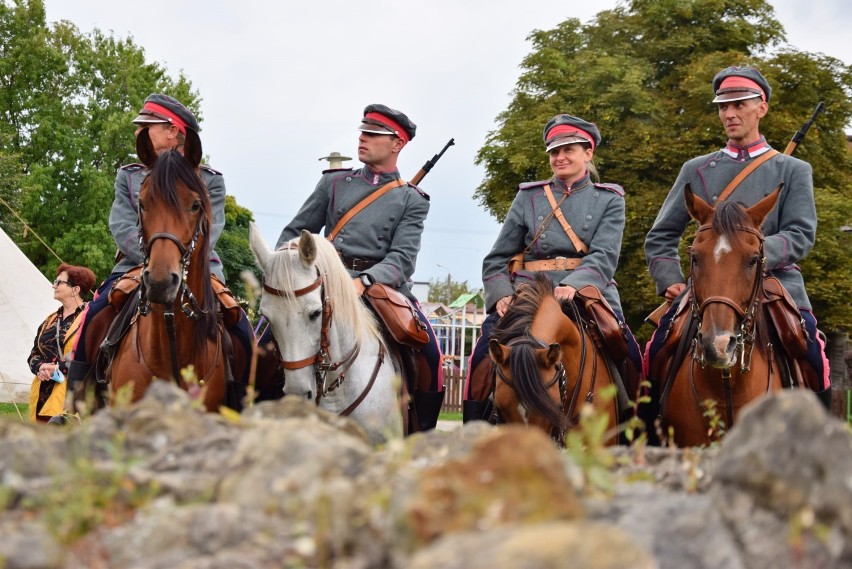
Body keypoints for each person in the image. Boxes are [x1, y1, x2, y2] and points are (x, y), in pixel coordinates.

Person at [644, 65, 830, 403]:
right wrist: (669, 278)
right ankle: (647, 432)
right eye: (723, 106)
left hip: (774, 283)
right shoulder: (696, 170)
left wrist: (748, 255)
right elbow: (660, 236)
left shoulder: (793, 170)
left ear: (762, 107)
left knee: (813, 354)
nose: (729, 113)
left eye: (739, 104)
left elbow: (802, 233)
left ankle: (818, 440)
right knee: (656, 349)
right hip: (708, 285)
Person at [67, 94, 254, 404]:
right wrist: (155, 258)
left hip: (199, 267)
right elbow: (121, 225)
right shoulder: (129, 175)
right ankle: (76, 404)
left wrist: (175, 258)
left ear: (172, 130)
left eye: (146, 126)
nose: (138, 131)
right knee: (94, 315)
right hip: (136, 265)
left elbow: (212, 229)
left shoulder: (209, 181)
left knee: (242, 328)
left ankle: (244, 408)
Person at [274, 103, 445, 429]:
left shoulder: (412, 199)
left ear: (397, 144)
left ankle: (421, 439)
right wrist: (291, 268)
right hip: (321, 281)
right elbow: (295, 233)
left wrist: (365, 280)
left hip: (379, 288)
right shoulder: (334, 183)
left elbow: (402, 259)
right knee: (266, 339)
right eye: (363, 132)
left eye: (373, 134)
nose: (362, 139)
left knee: (431, 355)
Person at [463, 114, 643, 422]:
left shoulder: (609, 199)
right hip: (528, 294)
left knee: (626, 348)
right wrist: (501, 294)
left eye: (568, 150)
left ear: (588, 153)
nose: (559, 157)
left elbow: (604, 255)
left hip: (585, 291)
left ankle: (632, 424)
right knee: (483, 351)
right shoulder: (528, 196)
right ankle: (475, 429)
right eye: (554, 152)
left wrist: (575, 284)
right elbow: (496, 258)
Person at [28, 264, 96, 423]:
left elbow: (91, 357)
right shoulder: (50, 320)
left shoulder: (90, 319)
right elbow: (34, 354)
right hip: (41, 395)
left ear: (75, 289)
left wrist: (57, 368)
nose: (54, 285)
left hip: (70, 397)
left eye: (59, 282)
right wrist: (40, 368)